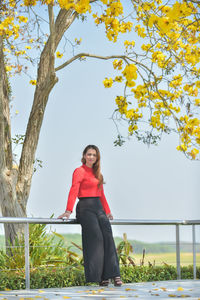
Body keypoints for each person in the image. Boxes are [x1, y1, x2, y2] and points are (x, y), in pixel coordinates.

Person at [58, 145, 122, 287]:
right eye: (89, 154)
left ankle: (113, 274)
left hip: (98, 207)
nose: (91, 157)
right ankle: (100, 277)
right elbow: (74, 190)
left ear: (97, 157)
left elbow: (102, 194)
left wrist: (108, 211)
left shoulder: (98, 173)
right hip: (85, 208)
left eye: (94, 155)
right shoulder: (79, 171)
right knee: (96, 237)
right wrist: (68, 210)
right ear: (84, 155)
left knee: (107, 235)